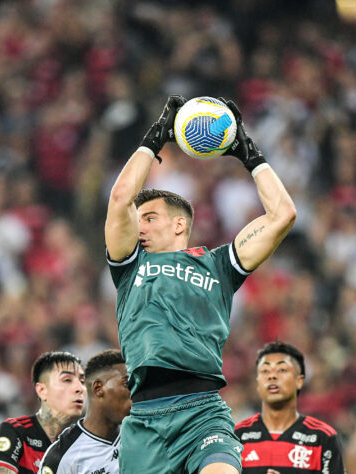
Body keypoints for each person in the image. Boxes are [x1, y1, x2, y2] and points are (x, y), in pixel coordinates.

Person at [104, 95, 297, 474]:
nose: (138, 225)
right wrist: (154, 139)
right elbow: (119, 198)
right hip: (144, 421)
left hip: (202, 412)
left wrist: (249, 154)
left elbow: (283, 214)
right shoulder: (130, 266)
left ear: (179, 225)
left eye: (150, 217)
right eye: (137, 219)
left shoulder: (219, 265)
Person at [235, 342, 346, 473]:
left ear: (299, 381)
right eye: (265, 371)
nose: (272, 376)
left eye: (282, 370)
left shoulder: (323, 438)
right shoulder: (237, 436)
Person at [0, 351, 85, 474]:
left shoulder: (80, 449)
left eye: (82, 381)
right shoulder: (14, 432)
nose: (79, 388)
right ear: (42, 390)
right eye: (67, 380)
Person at [38, 349, 131, 474]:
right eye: (127, 384)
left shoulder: (142, 435)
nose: (134, 391)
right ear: (98, 388)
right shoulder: (62, 457)